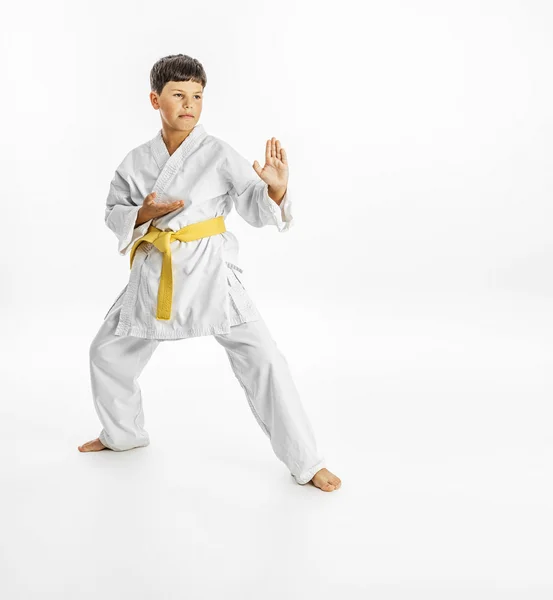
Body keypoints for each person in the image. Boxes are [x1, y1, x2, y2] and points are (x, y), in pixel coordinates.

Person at [78, 54, 341, 493]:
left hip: (210, 272)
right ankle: (122, 435)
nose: (189, 104)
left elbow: (255, 205)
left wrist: (275, 188)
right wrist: (144, 212)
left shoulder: (217, 152)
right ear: (154, 99)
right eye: (178, 95)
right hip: (155, 272)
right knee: (105, 353)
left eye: (197, 96)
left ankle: (307, 461)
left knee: (266, 360)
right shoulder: (136, 160)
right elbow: (114, 211)